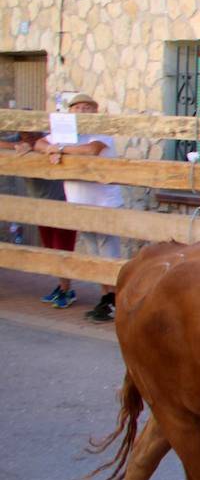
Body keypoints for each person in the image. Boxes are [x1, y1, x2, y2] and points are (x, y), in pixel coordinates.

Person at [32, 93, 122, 321]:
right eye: (77, 108)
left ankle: (115, 301)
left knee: (108, 253)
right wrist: (50, 148)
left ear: (95, 111)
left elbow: (91, 150)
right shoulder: (67, 134)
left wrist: (59, 150)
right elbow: (39, 142)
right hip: (80, 204)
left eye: (86, 108)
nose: (81, 112)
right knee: (94, 254)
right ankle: (106, 299)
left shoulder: (101, 132)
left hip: (103, 203)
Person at [1, 130, 76, 306]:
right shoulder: (19, 140)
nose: (28, 136)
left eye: (32, 134)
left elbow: (49, 146)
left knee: (62, 249)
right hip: (40, 207)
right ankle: (62, 286)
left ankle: (67, 290)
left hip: (60, 204)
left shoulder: (49, 139)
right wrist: (16, 146)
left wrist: (34, 147)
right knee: (50, 249)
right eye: (24, 134)